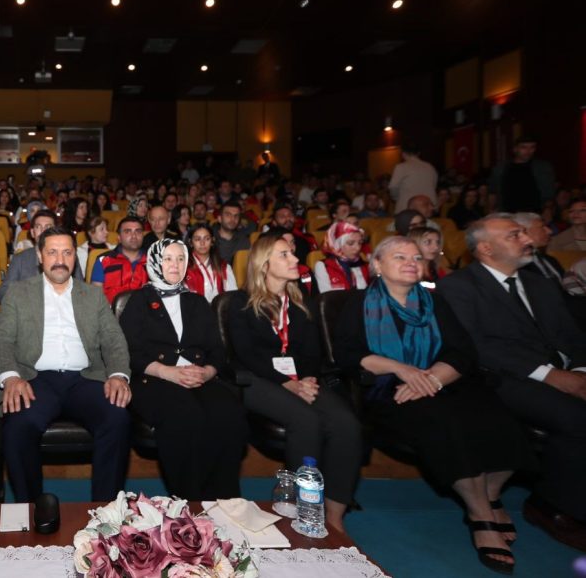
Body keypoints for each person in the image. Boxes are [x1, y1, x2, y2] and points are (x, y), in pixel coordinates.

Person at [334, 236, 536, 572]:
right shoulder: (357, 304)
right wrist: (402, 369)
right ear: (377, 266)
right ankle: (480, 514)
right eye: (399, 256)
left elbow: (462, 352)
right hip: (390, 390)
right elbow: (348, 355)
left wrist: (433, 379)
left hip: (445, 380)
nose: (411, 262)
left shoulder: (434, 302)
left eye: (416, 257)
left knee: (500, 418)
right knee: (445, 423)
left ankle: (492, 493)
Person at [439, 215, 586, 552]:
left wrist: (581, 371)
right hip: (499, 378)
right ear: (486, 248)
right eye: (514, 234)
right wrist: (553, 376)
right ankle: (554, 506)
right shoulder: (459, 286)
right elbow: (476, 346)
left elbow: (572, 337)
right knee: (576, 417)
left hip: (563, 372)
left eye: (523, 232)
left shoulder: (541, 284)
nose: (526, 239)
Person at [227, 231, 362, 533]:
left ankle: (335, 515)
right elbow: (247, 355)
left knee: (346, 423)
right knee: (306, 419)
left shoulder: (301, 305)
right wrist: (287, 383)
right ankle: (304, 510)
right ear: (264, 264)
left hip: (301, 380)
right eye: (285, 254)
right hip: (257, 381)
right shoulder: (240, 302)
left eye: (293, 253)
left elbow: (313, 353)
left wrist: (307, 379)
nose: (296, 259)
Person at [0, 226, 132, 502]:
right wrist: (11, 378)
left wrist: (117, 375)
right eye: (52, 252)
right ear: (40, 257)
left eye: (67, 252)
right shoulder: (18, 293)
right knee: (19, 423)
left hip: (85, 379)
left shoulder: (92, 295)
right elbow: (1, 340)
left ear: (74, 258)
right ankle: (30, 508)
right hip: (35, 379)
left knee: (117, 417)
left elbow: (114, 340)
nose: (60, 259)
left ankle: (106, 509)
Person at [119, 238, 246, 499]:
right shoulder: (138, 301)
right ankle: (190, 500)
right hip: (153, 378)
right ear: (154, 262)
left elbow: (217, 350)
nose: (174, 264)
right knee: (187, 417)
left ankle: (226, 499)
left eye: (180, 258)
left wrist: (209, 371)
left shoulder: (198, 303)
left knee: (230, 414)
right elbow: (129, 353)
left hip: (200, 377)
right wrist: (168, 372)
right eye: (167, 258)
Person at [0, 210, 81, 303]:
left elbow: (81, 289)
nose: (43, 231)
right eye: (38, 227)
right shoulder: (20, 259)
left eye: (48, 227)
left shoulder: (67, 256)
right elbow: (2, 293)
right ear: (33, 232)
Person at [490, 137, 556, 213]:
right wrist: (492, 209)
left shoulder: (542, 168)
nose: (528, 151)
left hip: (534, 212)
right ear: (515, 149)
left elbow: (549, 192)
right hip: (506, 212)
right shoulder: (501, 168)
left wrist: (547, 209)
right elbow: (493, 191)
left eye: (532, 147)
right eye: (524, 147)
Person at [92, 216, 149, 304]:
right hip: (111, 314)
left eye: (138, 231)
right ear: (119, 237)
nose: (134, 236)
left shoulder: (153, 261)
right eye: (127, 231)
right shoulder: (104, 260)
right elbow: (95, 298)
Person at [513, 212, 565, 291]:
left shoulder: (550, 260)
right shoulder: (517, 265)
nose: (549, 231)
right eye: (542, 227)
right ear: (524, 230)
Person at [314, 221, 370, 293]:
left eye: (360, 243)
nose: (358, 248)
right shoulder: (324, 266)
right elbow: (327, 299)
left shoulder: (364, 265)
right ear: (337, 245)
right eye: (350, 243)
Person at [185, 223, 237, 300]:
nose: (202, 243)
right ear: (190, 242)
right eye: (197, 239)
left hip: (218, 310)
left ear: (212, 241)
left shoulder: (224, 267)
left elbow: (233, 296)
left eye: (207, 239)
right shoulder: (184, 267)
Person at [388, 144, 438, 216]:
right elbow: (434, 185)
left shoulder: (401, 167)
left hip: (407, 208)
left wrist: (396, 198)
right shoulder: (430, 167)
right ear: (419, 153)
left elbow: (393, 187)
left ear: (403, 154)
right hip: (428, 208)